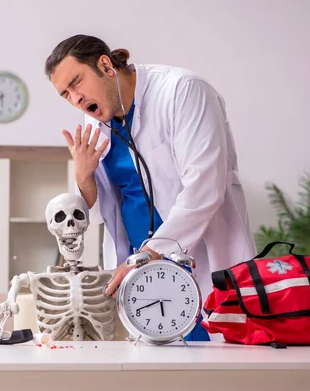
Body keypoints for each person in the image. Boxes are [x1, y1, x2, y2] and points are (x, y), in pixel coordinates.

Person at [44, 34, 256, 341]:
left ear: (105, 65)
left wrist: (150, 253)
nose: (75, 98)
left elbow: (205, 188)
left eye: (76, 82)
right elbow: (94, 211)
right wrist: (83, 176)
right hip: (141, 277)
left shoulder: (182, 92)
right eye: (65, 94)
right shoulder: (94, 122)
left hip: (199, 260)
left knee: (213, 366)